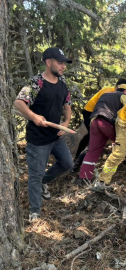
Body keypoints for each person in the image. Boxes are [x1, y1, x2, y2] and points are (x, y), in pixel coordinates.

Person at [14, 47, 74, 222]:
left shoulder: (63, 83)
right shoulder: (36, 83)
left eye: (64, 63)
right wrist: (33, 116)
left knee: (67, 163)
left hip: (55, 136)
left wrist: (66, 123)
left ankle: (44, 182)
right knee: (35, 175)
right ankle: (35, 212)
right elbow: (19, 103)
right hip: (38, 139)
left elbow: (67, 105)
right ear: (49, 63)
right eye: (60, 62)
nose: (63, 66)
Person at [78, 86, 126, 181]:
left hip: (94, 121)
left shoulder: (105, 95)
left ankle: (84, 177)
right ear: (125, 91)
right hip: (107, 121)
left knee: (93, 151)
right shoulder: (122, 95)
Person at [72, 79, 126, 172]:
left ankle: (78, 162)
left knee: (91, 138)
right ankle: (77, 162)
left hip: (100, 114)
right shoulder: (108, 91)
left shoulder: (118, 94)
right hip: (91, 112)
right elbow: (104, 106)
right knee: (91, 139)